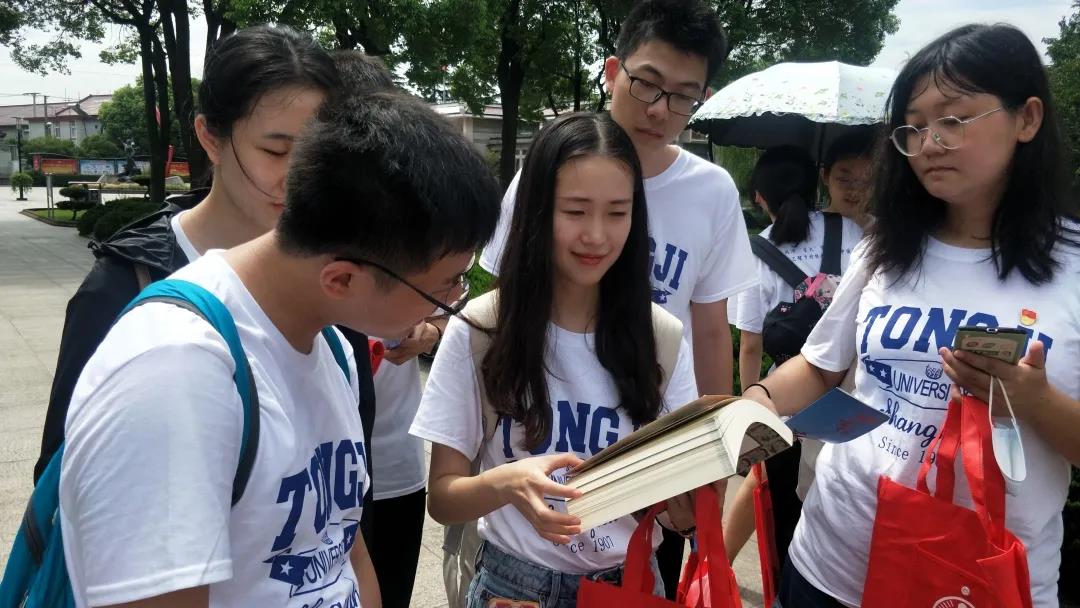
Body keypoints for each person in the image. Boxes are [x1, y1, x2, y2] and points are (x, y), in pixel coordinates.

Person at [58, 90, 503, 607]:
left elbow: (340, 542)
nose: (452, 301)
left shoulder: (329, 344)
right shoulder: (176, 373)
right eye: (445, 287)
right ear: (341, 279)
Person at [742, 24, 1080, 607]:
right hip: (832, 562)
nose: (929, 143)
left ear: (1027, 118)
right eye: (914, 127)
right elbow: (820, 367)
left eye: (953, 119)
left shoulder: (1070, 267)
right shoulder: (885, 247)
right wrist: (755, 404)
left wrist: (1035, 401)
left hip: (976, 581)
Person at [477, 0, 756, 592]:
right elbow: (505, 299)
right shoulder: (548, 168)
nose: (659, 110)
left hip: (647, 457)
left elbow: (711, 330)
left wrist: (711, 458)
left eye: (683, 96)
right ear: (612, 71)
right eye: (647, 83)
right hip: (544, 437)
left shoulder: (711, 192)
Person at [411, 112, 700, 608]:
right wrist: (507, 483)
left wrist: (687, 499)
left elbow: (682, 515)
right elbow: (443, 497)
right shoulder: (482, 329)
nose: (597, 235)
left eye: (617, 213)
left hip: (629, 584)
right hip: (515, 588)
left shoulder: (662, 338)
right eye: (575, 211)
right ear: (537, 211)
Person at [722, 146, 863, 565]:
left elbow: (750, 344)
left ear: (760, 197)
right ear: (817, 180)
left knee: (782, 510)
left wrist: (752, 405)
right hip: (855, 399)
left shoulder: (757, 251)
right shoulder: (856, 233)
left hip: (790, 406)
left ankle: (724, 567)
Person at [819, 131, 875, 228]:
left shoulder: (885, 232)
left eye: (866, 182)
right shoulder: (807, 228)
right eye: (844, 180)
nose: (855, 190)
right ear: (825, 176)